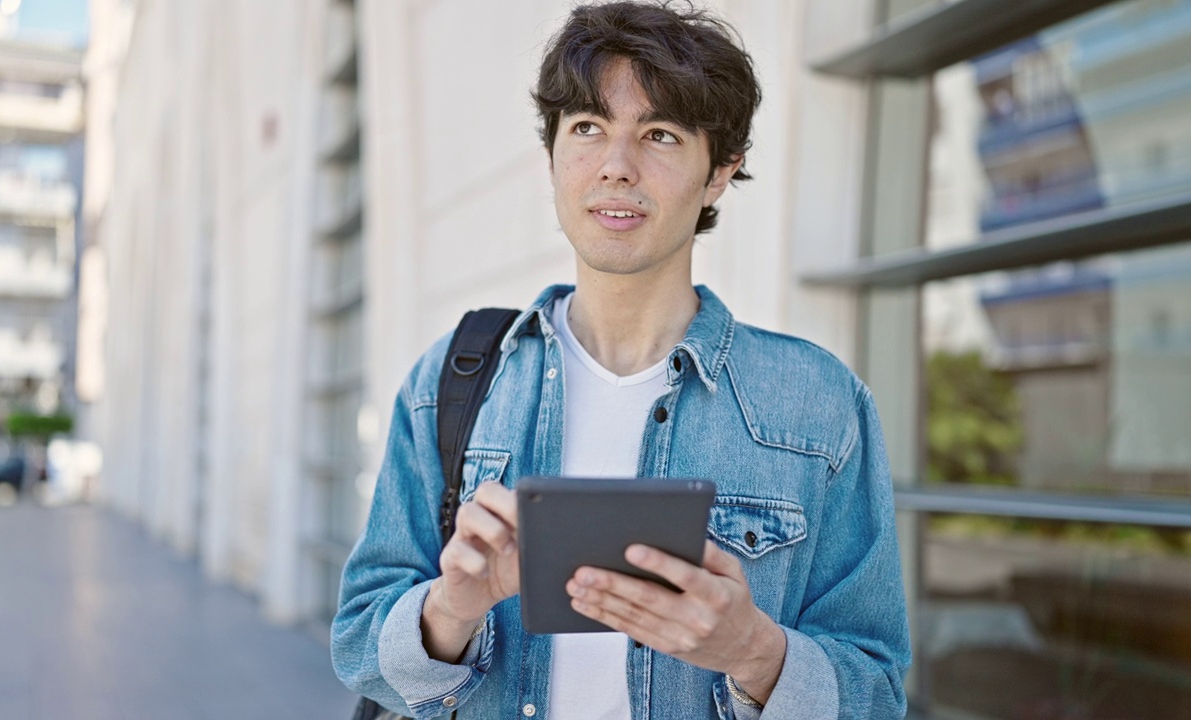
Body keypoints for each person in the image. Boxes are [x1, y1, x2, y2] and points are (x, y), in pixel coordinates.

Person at [331, 2, 911, 718]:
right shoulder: (450, 383)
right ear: (552, 156)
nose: (615, 166)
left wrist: (754, 652)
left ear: (720, 171)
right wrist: (450, 611)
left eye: (659, 134)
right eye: (587, 129)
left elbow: (879, 694)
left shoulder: (819, 403)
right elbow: (360, 647)